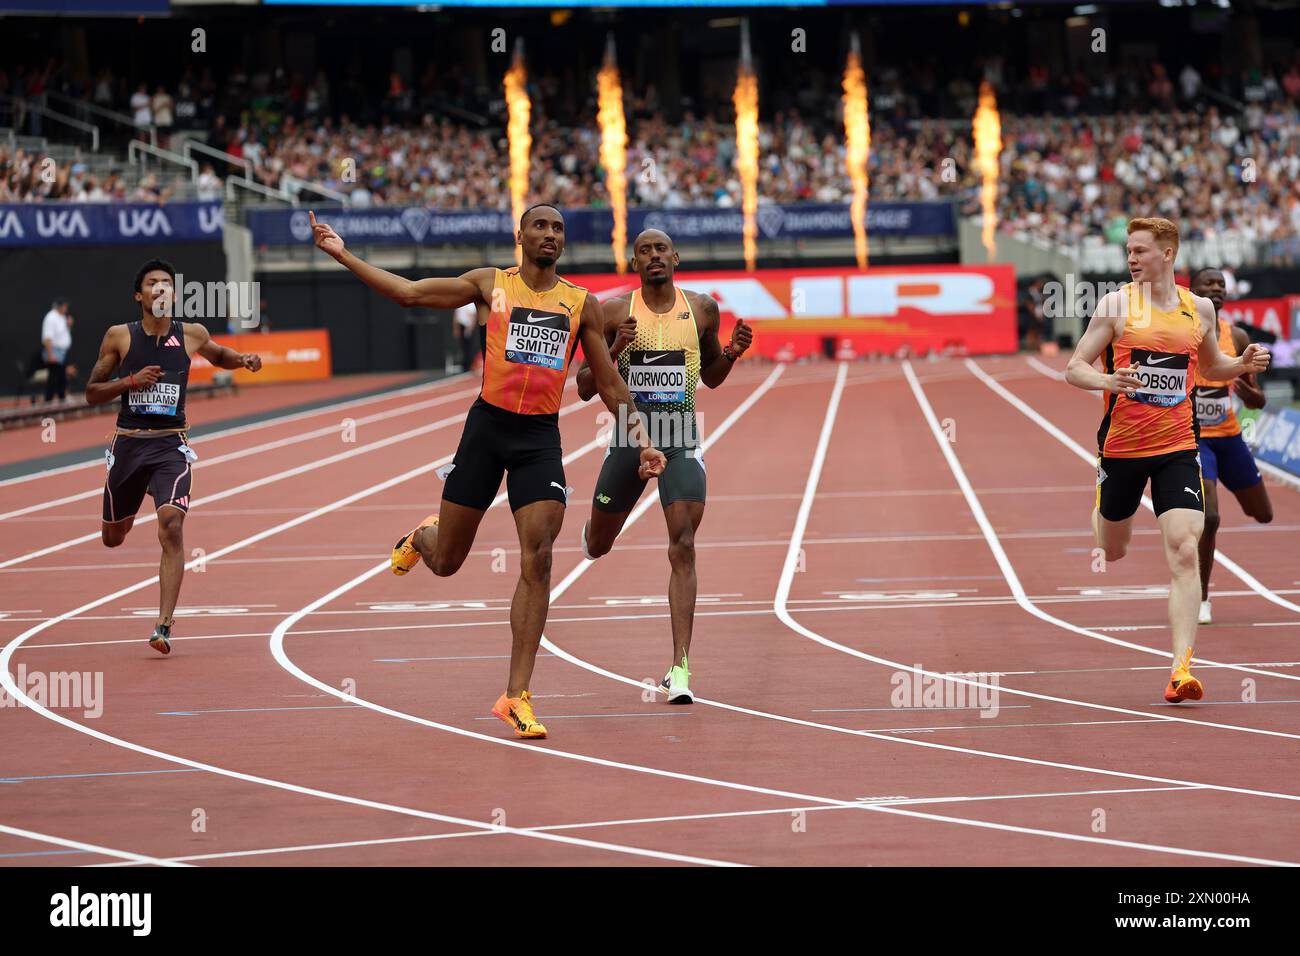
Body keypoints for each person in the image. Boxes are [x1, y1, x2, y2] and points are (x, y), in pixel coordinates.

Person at [309, 205, 666, 739]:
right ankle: (423, 537)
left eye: (558, 229)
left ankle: (516, 694)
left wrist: (643, 444)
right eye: (540, 226)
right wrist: (343, 255)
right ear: (520, 235)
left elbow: (611, 385)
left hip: (539, 439)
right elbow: (409, 294)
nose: (550, 235)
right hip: (487, 430)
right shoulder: (488, 284)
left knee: (539, 555)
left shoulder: (580, 304)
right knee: (448, 561)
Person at [1064, 218, 1270, 703]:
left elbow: (1211, 366)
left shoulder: (1196, 308)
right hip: (1122, 449)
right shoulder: (1116, 305)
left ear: (1168, 253)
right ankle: (1103, 510)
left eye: (1140, 251)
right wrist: (1106, 382)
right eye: (1129, 252)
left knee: (1183, 548)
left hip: (1178, 446)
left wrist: (1241, 366)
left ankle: (1181, 669)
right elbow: (1073, 367)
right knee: (1112, 546)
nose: (1131, 259)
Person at [574, 229, 752, 703]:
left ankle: (680, 667)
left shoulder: (702, 310)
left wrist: (731, 353)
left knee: (684, 545)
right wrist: (615, 349)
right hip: (630, 440)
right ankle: (593, 532)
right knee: (599, 544)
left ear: (675, 257)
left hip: (680, 441)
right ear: (635, 262)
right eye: (644, 251)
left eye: (661, 250)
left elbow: (711, 378)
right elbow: (585, 387)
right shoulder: (613, 313)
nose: (654, 257)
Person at [85, 260, 263, 655]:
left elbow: (220, 356)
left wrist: (244, 360)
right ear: (140, 295)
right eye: (153, 284)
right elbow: (92, 392)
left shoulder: (192, 334)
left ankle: (163, 625)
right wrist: (130, 381)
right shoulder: (120, 337)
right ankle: (124, 514)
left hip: (171, 446)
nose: (161, 289)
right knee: (113, 538)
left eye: (167, 283)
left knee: (171, 525)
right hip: (128, 445)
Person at [1188, 267, 1273, 624]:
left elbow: (1257, 402)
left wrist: (1252, 393)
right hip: (1196, 439)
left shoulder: (1236, 336)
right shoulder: (1184, 333)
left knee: (1263, 514)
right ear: (1192, 291)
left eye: (1221, 284)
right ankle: (1201, 597)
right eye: (1208, 284)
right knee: (1210, 517)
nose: (1216, 289)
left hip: (1230, 437)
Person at [41, 297, 72, 403]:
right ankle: (47, 402)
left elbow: (62, 334)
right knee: (53, 379)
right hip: (55, 351)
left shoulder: (62, 317)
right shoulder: (51, 318)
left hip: (63, 352)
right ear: (59, 306)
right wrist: (50, 354)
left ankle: (62, 400)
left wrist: (69, 325)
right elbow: (47, 338)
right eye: (64, 306)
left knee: (62, 378)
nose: (66, 308)